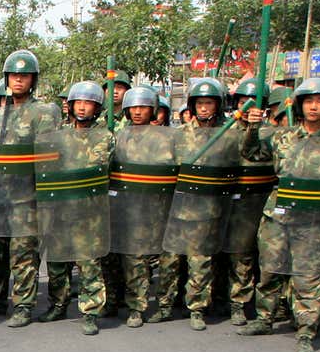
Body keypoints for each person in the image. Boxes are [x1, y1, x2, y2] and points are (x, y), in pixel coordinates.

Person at [236, 77, 320, 352]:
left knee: (309, 276)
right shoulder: (283, 136)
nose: (313, 107)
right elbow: (251, 152)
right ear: (300, 104)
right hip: (279, 213)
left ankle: (306, 330)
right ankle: (264, 318)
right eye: (308, 101)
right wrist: (253, 127)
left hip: (315, 217)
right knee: (270, 268)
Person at [0, 49, 60, 325]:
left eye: (24, 76)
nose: (18, 80)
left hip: (27, 196)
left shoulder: (43, 113)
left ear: (33, 79)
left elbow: (48, 155)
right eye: (14, 75)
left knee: (23, 253)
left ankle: (23, 304)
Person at [158, 77, 237, 329]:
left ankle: (197, 308)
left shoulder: (227, 135)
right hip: (177, 208)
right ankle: (164, 305)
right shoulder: (177, 135)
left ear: (218, 106)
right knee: (169, 261)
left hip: (207, 208)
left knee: (199, 262)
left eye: (209, 103)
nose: (204, 108)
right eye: (199, 103)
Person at [33, 80, 111, 333]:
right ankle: (58, 304)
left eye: (88, 103)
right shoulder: (59, 136)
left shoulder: (104, 137)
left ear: (97, 108)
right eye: (78, 102)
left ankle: (90, 312)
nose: (82, 108)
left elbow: (97, 166)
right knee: (57, 262)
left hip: (88, 212)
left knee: (88, 263)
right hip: (59, 209)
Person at [108, 86, 177, 327]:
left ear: (153, 110)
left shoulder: (166, 137)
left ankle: (165, 304)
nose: (138, 112)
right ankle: (136, 306)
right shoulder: (119, 135)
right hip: (128, 206)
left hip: (158, 206)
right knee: (132, 259)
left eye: (143, 107)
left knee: (162, 259)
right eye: (133, 107)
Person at [222, 78, 272, 325]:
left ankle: (239, 303)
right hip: (225, 198)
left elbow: (256, 153)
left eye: (255, 105)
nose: (250, 109)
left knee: (245, 256)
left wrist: (255, 129)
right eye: (244, 103)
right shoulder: (224, 131)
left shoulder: (271, 134)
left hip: (255, 201)